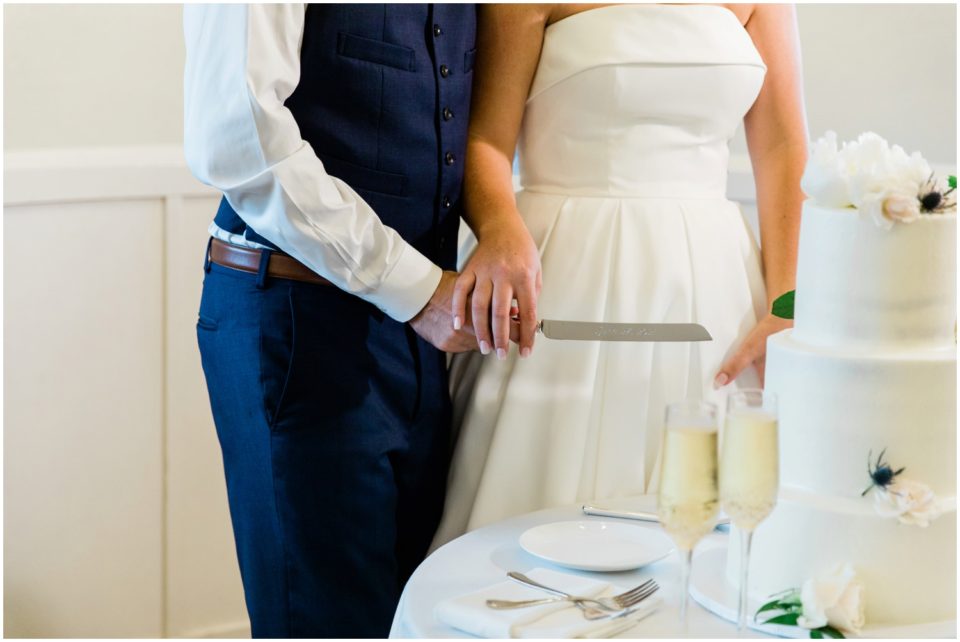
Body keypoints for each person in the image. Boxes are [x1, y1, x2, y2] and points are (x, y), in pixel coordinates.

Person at [433, 3, 806, 547]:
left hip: (717, 282)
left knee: (712, 524)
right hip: (565, 271)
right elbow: (484, 141)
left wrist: (785, 305)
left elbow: (783, 148)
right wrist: (499, 228)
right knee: (538, 515)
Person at [183, 5, 484, 637]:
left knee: (409, 618)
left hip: (420, 329)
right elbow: (238, 135)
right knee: (325, 621)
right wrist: (420, 292)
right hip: (297, 322)